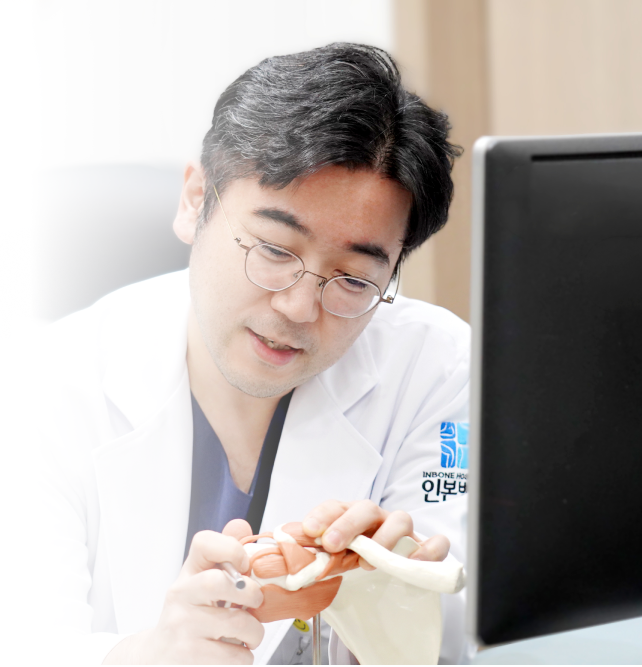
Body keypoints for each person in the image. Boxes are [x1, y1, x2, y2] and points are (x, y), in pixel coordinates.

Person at [15, 43, 469, 664]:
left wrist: (389, 594)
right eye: (276, 250)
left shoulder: (437, 369)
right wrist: (147, 655)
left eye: (353, 279)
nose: (300, 308)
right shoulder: (43, 386)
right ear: (194, 200)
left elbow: (461, 613)